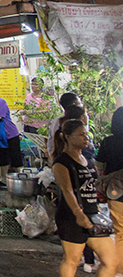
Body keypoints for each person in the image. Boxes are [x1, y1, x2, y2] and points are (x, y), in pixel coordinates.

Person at [51, 119, 118, 277]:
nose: (86, 138)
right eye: (81, 135)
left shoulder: (88, 160)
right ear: (67, 136)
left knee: (111, 261)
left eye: (86, 134)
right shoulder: (61, 162)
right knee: (72, 261)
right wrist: (78, 214)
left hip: (92, 214)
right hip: (71, 217)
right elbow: (67, 190)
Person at [97, 107, 123, 276]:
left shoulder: (108, 142)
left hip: (116, 192)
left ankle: (120, 271)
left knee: (120, 232)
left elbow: (99, 166)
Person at [48, 92, 83, 161]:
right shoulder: (78, 124)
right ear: (74, 105)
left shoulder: (55, 122)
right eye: (79, 102)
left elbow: (50, 144)